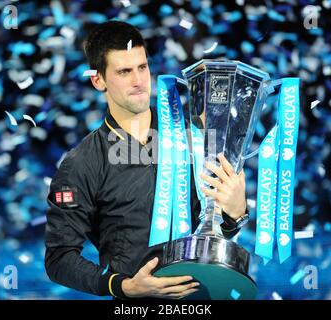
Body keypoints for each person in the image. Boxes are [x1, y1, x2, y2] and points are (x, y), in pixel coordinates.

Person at [44, 20, 249, 300]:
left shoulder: (195, 138)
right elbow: (59, 259)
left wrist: (235, 214)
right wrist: (122, 286)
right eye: (124, 71)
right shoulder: (82, 163)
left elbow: (215, 230)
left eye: (142, 67)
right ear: (98, 80)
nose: (139, 81)